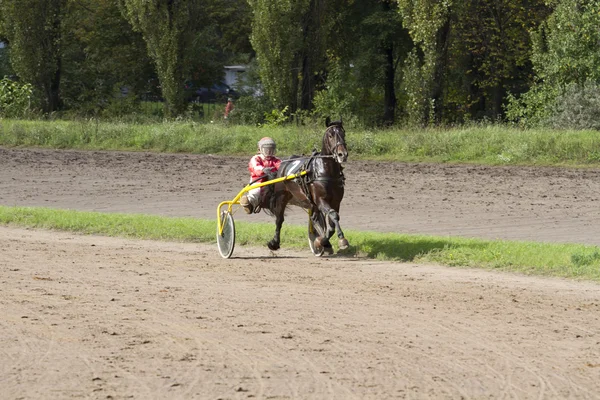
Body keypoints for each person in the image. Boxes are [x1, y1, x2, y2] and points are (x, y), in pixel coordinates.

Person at [240, 137, 281, 214]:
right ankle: (248, 203)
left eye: (271, 149)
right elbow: (255, 167)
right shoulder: (256, 158)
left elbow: (281, 166)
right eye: (267, 149)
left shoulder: (276, 160)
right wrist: (263, 170)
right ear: (260, 149)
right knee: (256, 192)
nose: (269, 152)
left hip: (273, 182)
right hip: (259, 182)